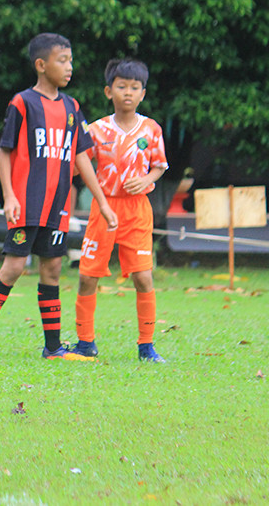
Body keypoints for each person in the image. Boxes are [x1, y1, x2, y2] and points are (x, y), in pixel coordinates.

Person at [0, 33, 118, 362]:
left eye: (71, 61)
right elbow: (4, 151)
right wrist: (9, 196)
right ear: (41, 65)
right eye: (62, 60)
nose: (69, 67)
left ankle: (53, 349)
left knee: (52, 271)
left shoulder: (72, 107)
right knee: (13, 267)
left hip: (58, 207)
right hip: (26, 203)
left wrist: (102, 202)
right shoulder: (23, 103)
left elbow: (81, 157)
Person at [72, 58, 169, 362]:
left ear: (143, 93)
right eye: (122, 86)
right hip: (103, 209)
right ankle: (85, 343)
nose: (128, 92)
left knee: (143, 277)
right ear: (108, 91)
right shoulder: (96, 129)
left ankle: (146, 346)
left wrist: (147, 179)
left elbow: (159, 166)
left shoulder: (151, 129)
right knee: (88, 276)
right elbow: (79, 163)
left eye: (135, 87)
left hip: (137, 211)